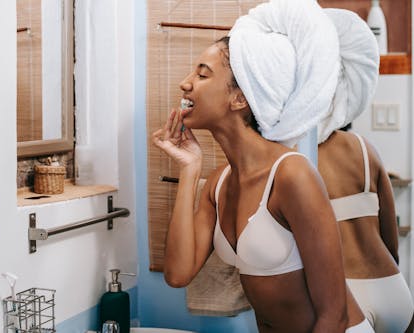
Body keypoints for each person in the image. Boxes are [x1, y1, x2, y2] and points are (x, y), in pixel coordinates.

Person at [152, 1, 372, 331]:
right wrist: (189, 168)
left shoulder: (292, 175)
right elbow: (178, 274)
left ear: (241, 98)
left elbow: (334, 315)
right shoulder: (219, 182)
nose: (185, 83)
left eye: (202, 74)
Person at [315, 9, 414, 333]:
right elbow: (390, 238)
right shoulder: (363, 147)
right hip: (395, 292)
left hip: (347, 297)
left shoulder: (294, 159)